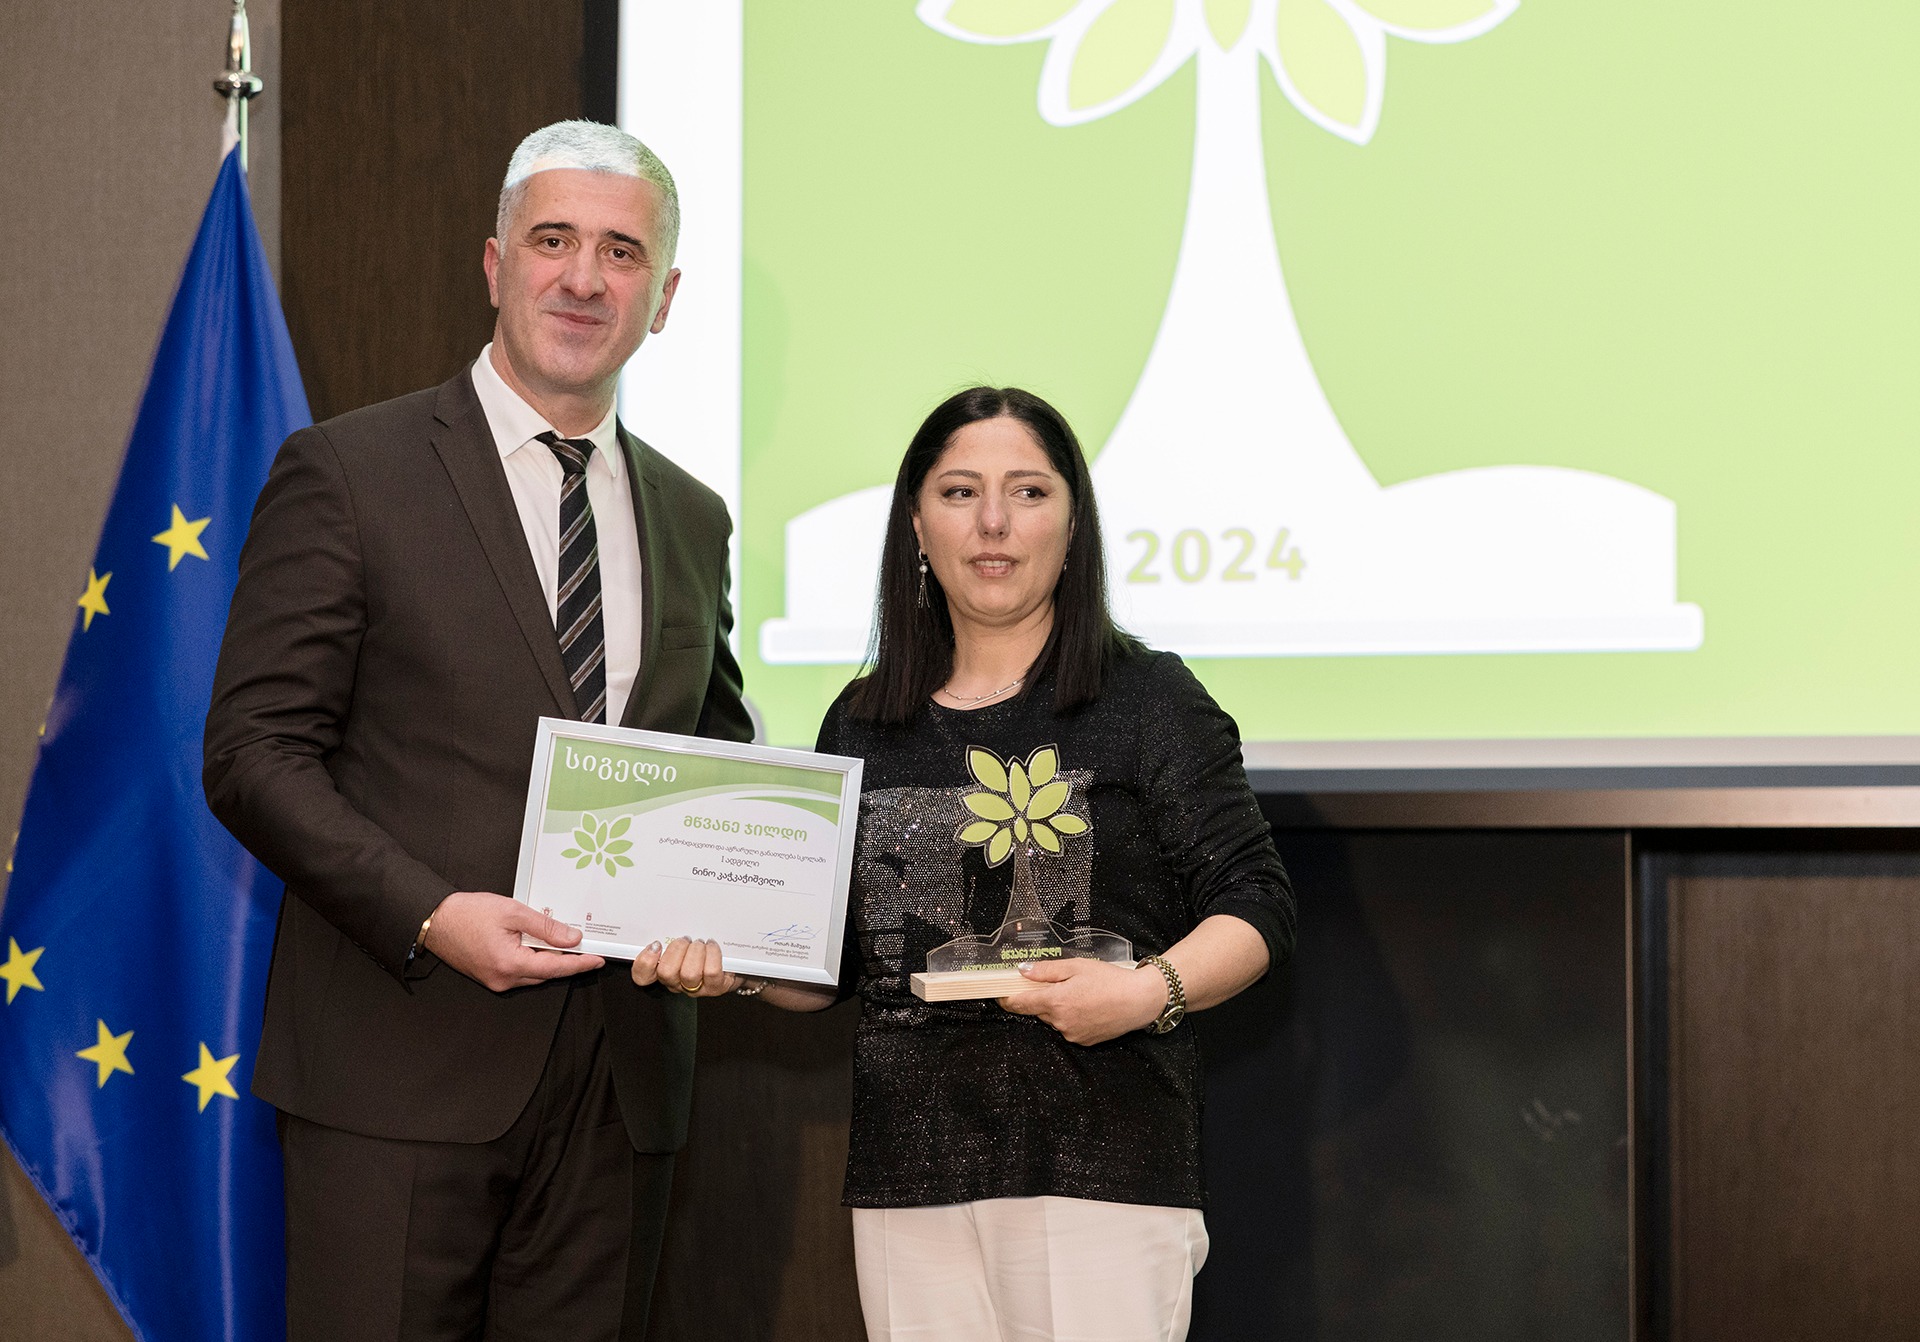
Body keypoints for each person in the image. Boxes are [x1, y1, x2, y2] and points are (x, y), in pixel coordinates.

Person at [204, 120, 751, 1340]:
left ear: (664, 300)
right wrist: (431, 912)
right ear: (496, 265)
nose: (583, 277)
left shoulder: (694, 515)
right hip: (393, 1067)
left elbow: (710, 761)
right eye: (553, 241)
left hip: (619, 1092)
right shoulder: (348, 471)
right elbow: (252, 753)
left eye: (621, 253)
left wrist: (751, 914)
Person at [638, 386, 1295, 1342]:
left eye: (1028, 491)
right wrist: (734, 967)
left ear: (1073, 523)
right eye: (959, 492)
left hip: (1100, 1169)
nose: (993, 522)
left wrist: (1144, 993)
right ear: (916, 523)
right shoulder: (863, 720)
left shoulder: (1148, 698)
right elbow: (835, 964)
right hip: (908, 1178)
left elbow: (1257, 902)